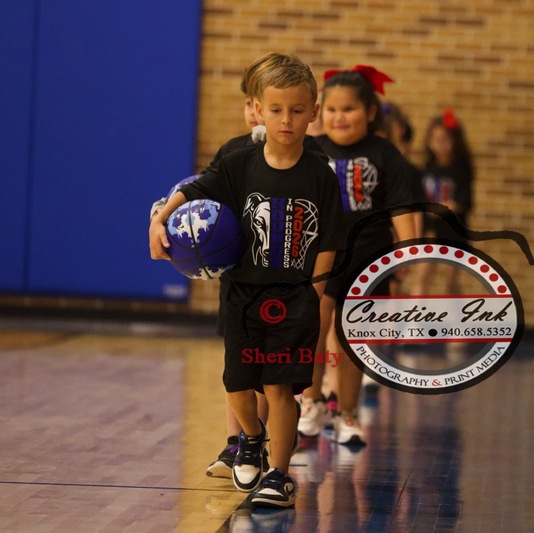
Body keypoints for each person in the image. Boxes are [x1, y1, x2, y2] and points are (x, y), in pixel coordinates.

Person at [150, 53, 344, 508]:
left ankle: (280, 475)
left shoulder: (321, 175)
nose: (286, 120)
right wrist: (159, 219)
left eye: (298, 110)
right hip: (240, 293)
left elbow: (330, 242)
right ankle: (249, 440)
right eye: (275, 110)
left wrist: (315, 297)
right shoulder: (239, 162)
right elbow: (194, 188)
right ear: (257, 109)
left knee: (278, 387)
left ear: (313, 112)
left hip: (295, 296)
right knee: (237, 383)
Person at [298, 65, 420, 444]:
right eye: (331, 110)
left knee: (353, 336)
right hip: (322, 254)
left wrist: (406, 254)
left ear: (369, 112)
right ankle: (312, 400)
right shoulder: (312, 152)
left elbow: (400, 207)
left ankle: (347, 413)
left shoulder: (385, 155)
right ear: (320, 113)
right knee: (315, 320)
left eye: (348, 109)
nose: (339, 117)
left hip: (370, 258)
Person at [411, 108, 474, 296]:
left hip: (454, 228)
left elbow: (464, 201)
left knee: (451, 282)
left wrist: (443, 208)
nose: (440, 145)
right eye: (435, 140)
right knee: (422, 276)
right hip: (431, 227)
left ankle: (457, 321)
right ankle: (413, 321)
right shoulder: (427, 167)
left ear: (455, 141)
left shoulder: (462, 168)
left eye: (445, 140)